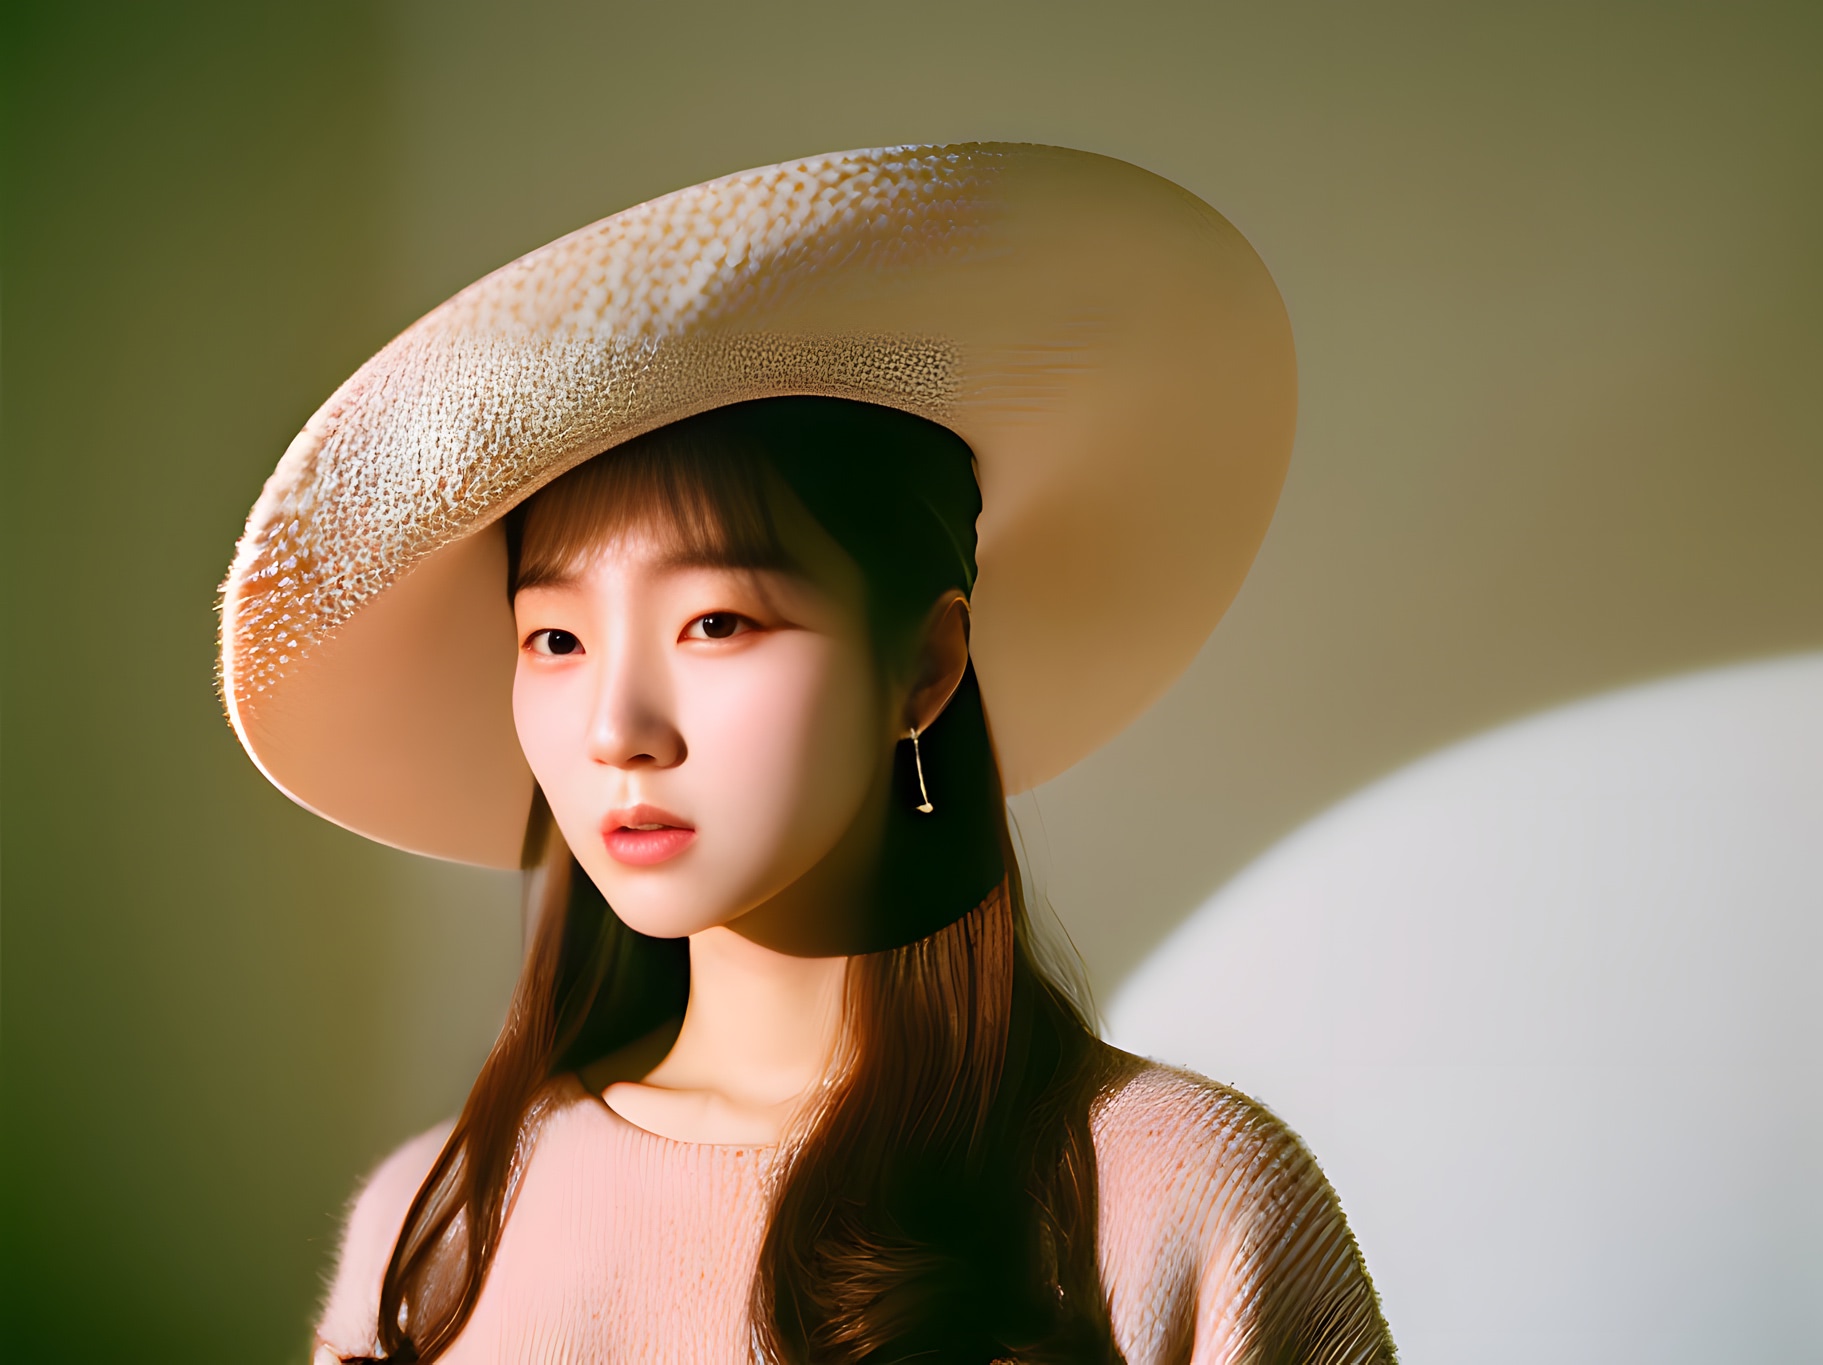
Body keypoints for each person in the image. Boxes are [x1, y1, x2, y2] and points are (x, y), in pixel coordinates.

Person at [219, 143, 1394, 1364]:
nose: (618, 728)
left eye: (717, 623)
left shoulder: (1168, 1198)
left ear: (924, 667)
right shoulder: (436, 1223)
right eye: (555, 638)